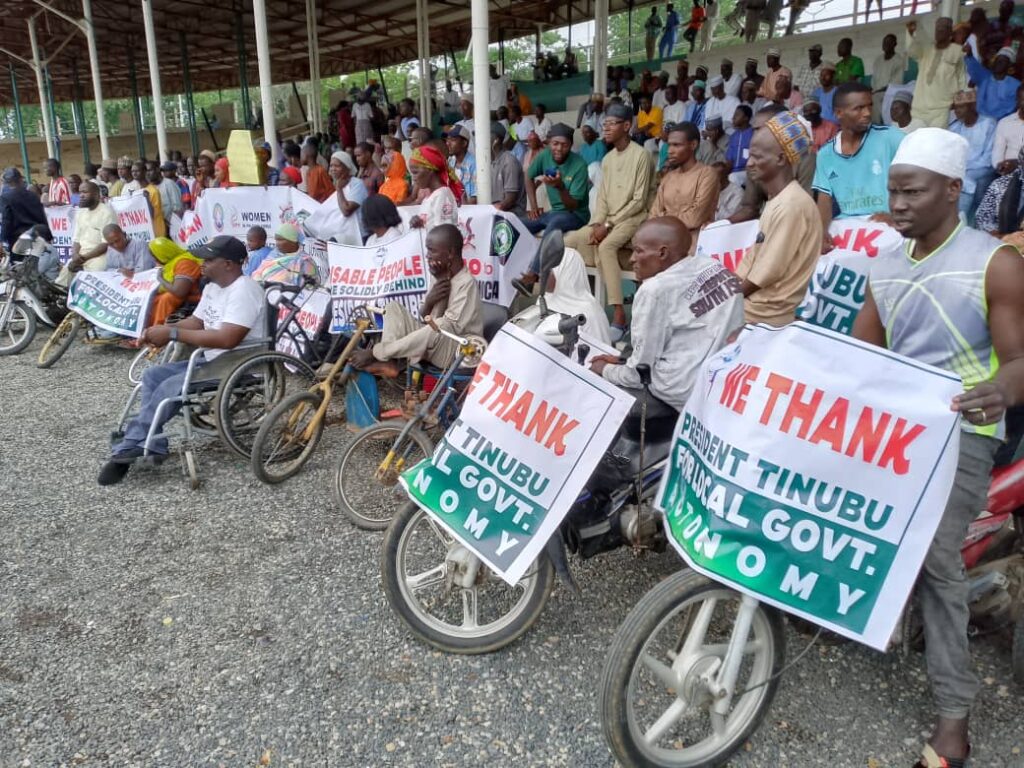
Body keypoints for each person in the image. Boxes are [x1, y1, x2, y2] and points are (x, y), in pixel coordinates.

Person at [851, 127, 1024, 768]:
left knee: (933, 554)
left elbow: (1019, 360)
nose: (897, 204)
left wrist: (998, 390)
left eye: (912, 192)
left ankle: (955, 716)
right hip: (901, 429)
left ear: (954, 190)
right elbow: (862, 353)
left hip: (966, 430)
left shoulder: (994, 261)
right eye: (892, 192)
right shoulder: (886, 264)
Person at [98, 236, 267, 485]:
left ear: (229, 264)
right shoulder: (212, 288)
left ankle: (130, 444)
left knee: (170, 387)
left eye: (209, 260)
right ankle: (153, 443)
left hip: (239, 361)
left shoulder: (244, 290)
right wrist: (164, 330)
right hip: (213, 359)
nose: (202, 264)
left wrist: (173, 333)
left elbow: (228, 339)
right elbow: (197, 322)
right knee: (152, 375)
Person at [589, 216, 743, 410]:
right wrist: (623, 360)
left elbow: (638, 375)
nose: (632, 259)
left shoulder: (654, 290)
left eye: (638, 251)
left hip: (679, 390)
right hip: (719, 384)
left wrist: (605, 369)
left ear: (662, 253)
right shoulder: (717, 269)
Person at [564, 103, 654, 334]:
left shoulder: (641, 155)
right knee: (571, 240)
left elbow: (638, 201)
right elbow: (602, 197)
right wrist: (597, 223)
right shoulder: (608, 159)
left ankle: (619, 315)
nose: (605, 129)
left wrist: (607, 226)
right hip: (608, 218)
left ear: (626, 126)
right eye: (604, 124)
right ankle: (568, 306)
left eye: (611, 124)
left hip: (633, 218)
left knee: (606, 248)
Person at [350, 224, 481, 378]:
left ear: (451, 253)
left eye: (432, 250)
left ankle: (377, 352)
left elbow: (445, 329)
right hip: (434, 343)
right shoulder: (439, 275)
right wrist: (430, 301)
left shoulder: (467, 283)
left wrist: (441, 294)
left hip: (455, 352)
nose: (427, 256)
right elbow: (424, 317)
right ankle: (390, 361)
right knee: (392, 308)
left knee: (440, 325)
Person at [737, 111, 820, 326]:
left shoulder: (792, 204)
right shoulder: (779, 200)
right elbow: (754, 258)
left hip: (763, 315)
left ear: (781, 158)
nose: (749, 163)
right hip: (753, 306)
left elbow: (768, 270)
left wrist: (729, 298)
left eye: (757, 157)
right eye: (749, 156)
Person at [812, 82, 905, 247]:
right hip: (848, 227)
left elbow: (920, 179)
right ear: (839, 113)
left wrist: (900, 216)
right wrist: (821, 232)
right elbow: (824, 200)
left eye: (870, 106)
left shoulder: (891, 138)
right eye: (859, 108)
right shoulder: (825, 154)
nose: (867, 113)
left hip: (888, 227)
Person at [517, 248, 611, 345]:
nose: (540, 274)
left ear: (565, 272)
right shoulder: (544, 301)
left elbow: (600, 356)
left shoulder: (590, 313)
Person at [649, 122, 719, 247]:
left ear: (693, 145)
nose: (670, 151)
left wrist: (663, 216)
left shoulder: (707, 174)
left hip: (694, 244)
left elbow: (694, 219)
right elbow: (653, 215)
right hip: (664, 243)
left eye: (676, 145)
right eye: (669, 145)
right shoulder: (668, 177)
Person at [523, 123, 590, 238]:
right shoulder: (545, 155)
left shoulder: (579, 165)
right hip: (554, 213)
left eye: (564, 145)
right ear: (549, 143)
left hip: (576, 215)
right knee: (518, 224)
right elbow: (528, 176)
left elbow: (572, 206)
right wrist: (534, 207)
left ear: (571, 145)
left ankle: (540, 256)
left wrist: (560, 187)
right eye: (555, 144)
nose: (559, 148)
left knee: (554, 224)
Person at [906, 19, 966, 128]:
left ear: (950, 33)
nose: (939, 32)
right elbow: (912, 51)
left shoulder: (957, 51)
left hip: (942, 109)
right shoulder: (926, 49)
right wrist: (911, 33)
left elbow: (961, 79)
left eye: (943, 29)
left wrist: (958, 99)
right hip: (919, 109)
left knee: (936, 141)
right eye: (938, 30)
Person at [950, 89, 997, 223]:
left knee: (967, 180)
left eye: (961, 107)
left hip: (983, 167)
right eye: (956, 108)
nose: (956, 111)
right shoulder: (954, 128)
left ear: (972, 106)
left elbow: (988, 158)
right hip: (960, 169)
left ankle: (961, 223)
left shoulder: (988, 124)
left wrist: (964, 169)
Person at [56, 182, 116, 286]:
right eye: (80, 192)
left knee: (93, 278)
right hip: (80, 256)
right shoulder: (81, 213)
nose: (81, 195)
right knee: (63, 276)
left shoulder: (106, 212)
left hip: (100, 257)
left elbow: (106, 244)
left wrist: (83, 258)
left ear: (96, 195)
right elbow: (76, 240)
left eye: (85, 192)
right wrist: (75, 255)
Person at [148, 237, 204, 327]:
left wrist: (160, 279)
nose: (155, 260)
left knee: (166, 298)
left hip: (193, 299)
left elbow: (179, 291)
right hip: (184, 297)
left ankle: (158, 329)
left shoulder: (184, 262)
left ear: (163, 254)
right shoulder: (170, 263)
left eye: (155, 256)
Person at [408, 145, 462, 231]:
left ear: (430, 170)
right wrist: (420, 223)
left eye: (415, 172)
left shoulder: (443, 195)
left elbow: (444, 233)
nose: (413, 178)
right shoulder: (429, 197)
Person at [966, 47, 1021, 122]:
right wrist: (969, 55)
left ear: (1009, 66)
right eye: (997, 60)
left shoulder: (1016, 85)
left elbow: (1010, 109)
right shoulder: (985, 77)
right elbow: (975, 68)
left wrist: (993, 120)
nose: (998, 63)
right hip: (980, 121)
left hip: (1001, 123)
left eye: (1002, 61)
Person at [0, 168, 47, 250]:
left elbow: (7, 220)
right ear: (20, 179)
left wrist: (2, 239)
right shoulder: (32, 195)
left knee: (18, 261)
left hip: (17, 238)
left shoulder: (6, 197)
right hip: (35, 235)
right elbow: (41, 216)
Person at [328, 150, 369, 241]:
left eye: (337, 165)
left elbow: (346, 211)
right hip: (344, 234)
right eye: (331, 165)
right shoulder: (337, 183)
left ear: (347, 167)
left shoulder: (357, 184)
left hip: (360, 234)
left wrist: (339, 189)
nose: (333, 169)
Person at [490, 123, 527, 219]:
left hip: (513, 215)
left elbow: (509, 200)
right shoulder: (488, 162)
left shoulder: (509, 162)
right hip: (497, 213)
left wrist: (489, 212)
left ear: (495, 141)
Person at [872, 34, 907, 124]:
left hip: (891, 92)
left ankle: (886, 125)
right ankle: (875, 127)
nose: (885, 45)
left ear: (895, 44)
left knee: (876, 99)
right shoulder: (878, 60)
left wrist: (877, 91)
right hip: (876, 92)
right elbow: (874, 80)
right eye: (884, 43)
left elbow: (896, 84)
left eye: (888, 42)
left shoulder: (898, 60)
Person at [992, 84, 1024, 174]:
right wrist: (1000, 166)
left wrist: (1017, 163)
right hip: (1009, 172)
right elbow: (997, 153)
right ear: (1017, 101)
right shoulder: (1005, 123)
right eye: (1023, 100)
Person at [444, 126, 477, 204]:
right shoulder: (450, 161)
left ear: (464, 143)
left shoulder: (474, 164)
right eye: (447, 139)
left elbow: (475, 198)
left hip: (467, 210)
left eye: (453, 140)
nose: (448, 143)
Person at [378, 137, 410, 205]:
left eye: (389, 148)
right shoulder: (385, 183)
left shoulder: (404, 170)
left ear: (398, 149)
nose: (387, 150)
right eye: (385, 148)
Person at [725, 105, 754, 177]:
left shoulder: (754, 134)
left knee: (733, 177)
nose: (733, 118)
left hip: (748, 171)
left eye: (737, 115)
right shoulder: (733, 136)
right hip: (733, 172)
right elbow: (729, 160)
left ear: (746, 118)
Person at [143, 168, 168, 239]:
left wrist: (146, 199)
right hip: (147, 233)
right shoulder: (138, 191)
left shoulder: (153, 191)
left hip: (157, 232)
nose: (134, 173)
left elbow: (151, 214)